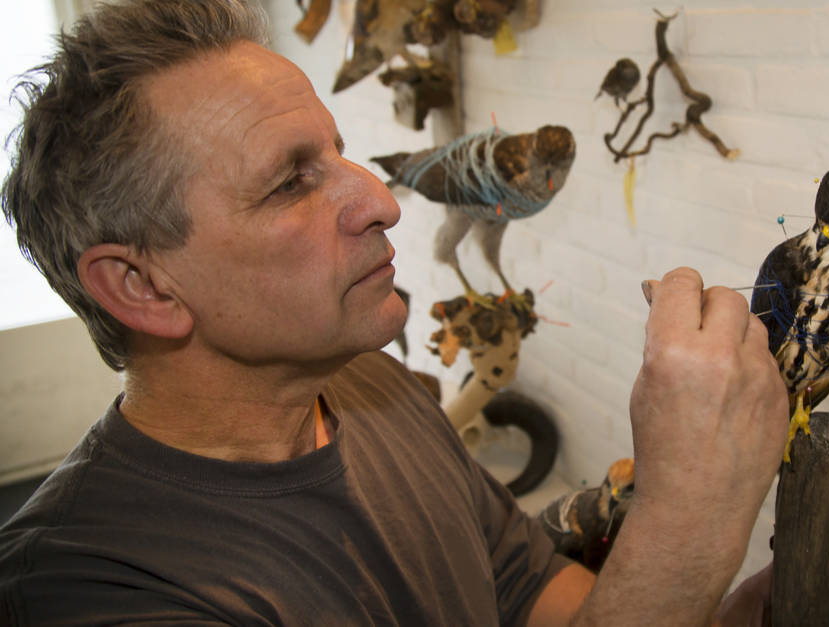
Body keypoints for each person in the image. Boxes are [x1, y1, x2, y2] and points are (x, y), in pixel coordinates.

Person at [0, 1, 788, 624]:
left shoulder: (379, 390)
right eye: (289, 183)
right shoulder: (87, 590)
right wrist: (690, 521)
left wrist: (701, 611)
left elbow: (537, 602)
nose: (380, 201)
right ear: (145, 287)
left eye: (338, 153)